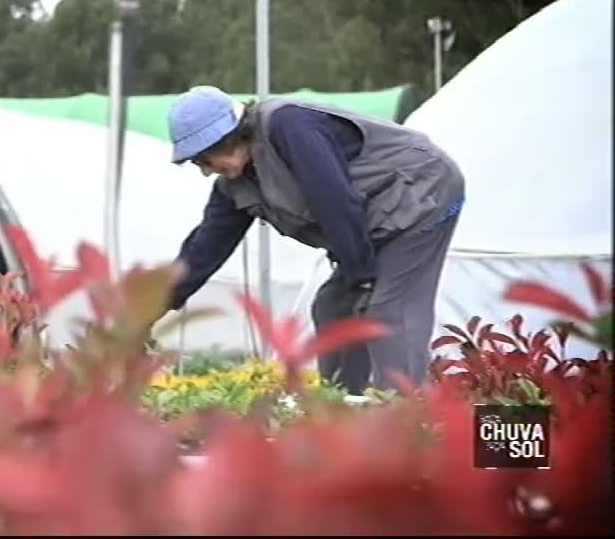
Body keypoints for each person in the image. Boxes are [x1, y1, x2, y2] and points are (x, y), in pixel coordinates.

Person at [160, 86, 465, 394]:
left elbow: (332, 199)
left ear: (225, 140)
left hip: (421, 195)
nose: (206, 172)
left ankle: (407, 411)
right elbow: (203, 249)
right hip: (373, 223)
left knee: (387, 309)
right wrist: (152, 308)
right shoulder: (234, 186)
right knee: (332, 307)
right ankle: (344, 404)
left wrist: (361, 276)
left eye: (204, 160)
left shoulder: (289, 126)